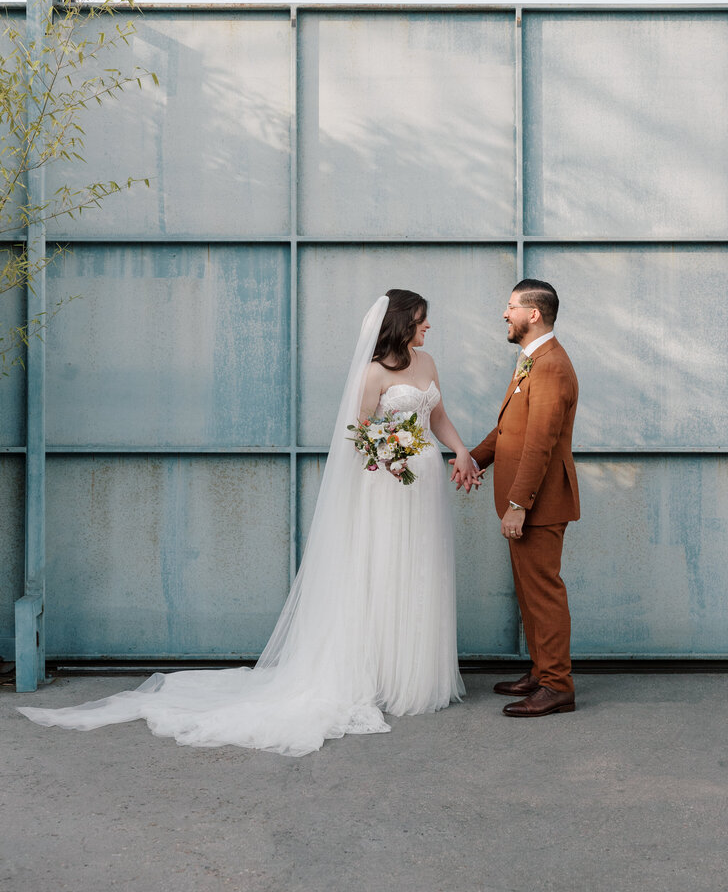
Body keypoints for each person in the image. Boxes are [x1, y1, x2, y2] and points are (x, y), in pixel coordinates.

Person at [19, 291, 469, 755]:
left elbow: (436, 416)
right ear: (401, 322)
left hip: (425, 485)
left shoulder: (427, 362)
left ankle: (411, 675)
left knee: (418, 572)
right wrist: (389, 456)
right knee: (382, 572)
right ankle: (380, 675)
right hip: (387, 489)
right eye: (421, 319)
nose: (428, 326)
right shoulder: (373, 373)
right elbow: (358, 435)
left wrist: (462, 451)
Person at [451, 279, 580, 717]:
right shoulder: (532, 360)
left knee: (543, 593)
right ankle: (543, 671)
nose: (505, 314)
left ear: (533, 314)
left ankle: (558, 686)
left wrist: (518, 504)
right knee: (528, 592)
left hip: (539, 504)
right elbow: (509, 430)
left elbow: (540, 443)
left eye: (510, 307)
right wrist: (472, 458)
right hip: (527, 502)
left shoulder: (551, 366)